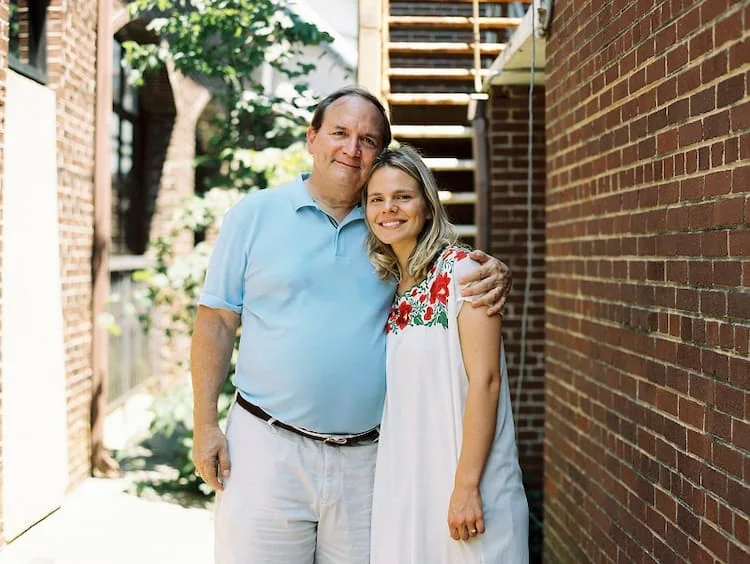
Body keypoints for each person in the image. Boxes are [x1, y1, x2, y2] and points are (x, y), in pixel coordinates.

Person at [190, 86, 512, 563]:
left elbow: (449, 277)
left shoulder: (389, 228)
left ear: (381, 153)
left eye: (368, 139)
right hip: (265, 450)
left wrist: (497, 271)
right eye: (340, 133)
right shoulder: (254, 215)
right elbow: (216, 321)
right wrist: (204, 425)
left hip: (369, 463)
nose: (351, 148)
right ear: (312, 138)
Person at [365, 146, 529, 563]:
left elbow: (486, 382)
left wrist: (467, 486)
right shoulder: (387, 287)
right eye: (376, 199)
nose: (389, 209)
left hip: (470, 487)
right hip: (410, 488)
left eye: (402, 196)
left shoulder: (465, 273)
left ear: (426, 202)